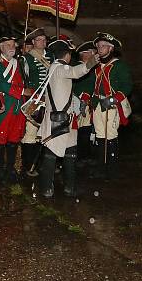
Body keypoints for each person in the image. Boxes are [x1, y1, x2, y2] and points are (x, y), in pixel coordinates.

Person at [37, 40, 98, 198]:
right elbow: (76, 72)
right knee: (53, 155)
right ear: (67, 55)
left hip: (62, 118)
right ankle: (48, 189)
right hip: (60, 119)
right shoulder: (61, 68)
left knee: (68, 153)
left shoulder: (53, 68)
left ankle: (68, 187)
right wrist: (92, 61)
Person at [91, 33, 132, 178]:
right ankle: (100, 168)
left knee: (111, 137)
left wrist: (114, 100)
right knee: (100, 137)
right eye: (98, 46)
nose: (100, 49)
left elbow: (127, 86)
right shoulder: (95, 65)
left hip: (111, 105)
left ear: (111, 48)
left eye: (103, 46)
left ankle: (112, 169)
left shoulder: (119, 65)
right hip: (97, 104)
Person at [0, 36, 26, 184]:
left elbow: (23, 81)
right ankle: (0, 171)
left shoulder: (18, 63)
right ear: (0, 48)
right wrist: (23, 91)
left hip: (18, 107)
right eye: (8, 44)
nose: (12, 47)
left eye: (13, 44)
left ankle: (10, 169)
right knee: (1, 140)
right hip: (5, 107)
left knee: (13, 139)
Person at [20, 28, 49, 176]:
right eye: (39, 40)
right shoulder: (27, 58)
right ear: (33, 42)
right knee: (30, 132)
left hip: (49, 100)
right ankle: (28, 165)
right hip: (34, 100)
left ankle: (42, 164)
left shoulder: (52, 57)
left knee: (45, 133)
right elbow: (24, 81)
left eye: (44, 40)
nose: (42, 42)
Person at [72, 41, 97, 164]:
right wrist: (84, 96)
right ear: (84, 54)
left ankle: (85, 154)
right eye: (91, 52)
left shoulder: (92, 67)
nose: (93, 54)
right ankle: (78, 156)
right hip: (78, 102)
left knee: (86, 129)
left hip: (88, 103)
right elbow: (83, 84)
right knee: (79, 130)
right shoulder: (79, 66)